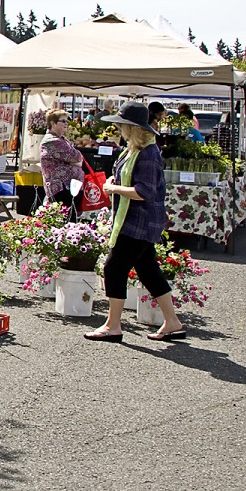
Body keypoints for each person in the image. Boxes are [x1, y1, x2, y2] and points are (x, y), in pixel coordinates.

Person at [83, 102, 184, 342]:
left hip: (139, 222)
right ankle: (172, 322)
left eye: (121, 125)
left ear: (133, 128)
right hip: (134, 220)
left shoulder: (148, 153)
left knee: (114, 268)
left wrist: (112, 188)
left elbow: (144, 191)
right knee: (148, 269)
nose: (118, 128)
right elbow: (128, 179)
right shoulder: (135, 149)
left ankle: (113, 325)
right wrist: (114, 181)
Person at [39, 107, 86, 216]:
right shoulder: (52, 141)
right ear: (53, 123)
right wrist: (76, 161)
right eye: (63, 121)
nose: (66, 124)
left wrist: (75, 161)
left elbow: (77, 158)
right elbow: (77, 157)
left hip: (70, 187)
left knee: (72, 219)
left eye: (67, 121)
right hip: (61, 189)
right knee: (66, 219)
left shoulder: (62, 139)